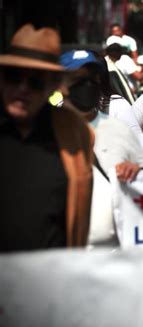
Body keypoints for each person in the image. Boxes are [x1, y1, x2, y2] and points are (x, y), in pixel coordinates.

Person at [0, 24, 93, 251]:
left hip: (50, 280)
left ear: (52, 86)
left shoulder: (74, 132)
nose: (22, 89)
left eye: (35, 82)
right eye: (13, 77)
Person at [59, 50, 143, 182]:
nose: (87, 84)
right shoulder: (47, 131)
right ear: (58, 84)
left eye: (92, 78)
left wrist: (136, 169)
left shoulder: (120, 129)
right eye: (78, 79)